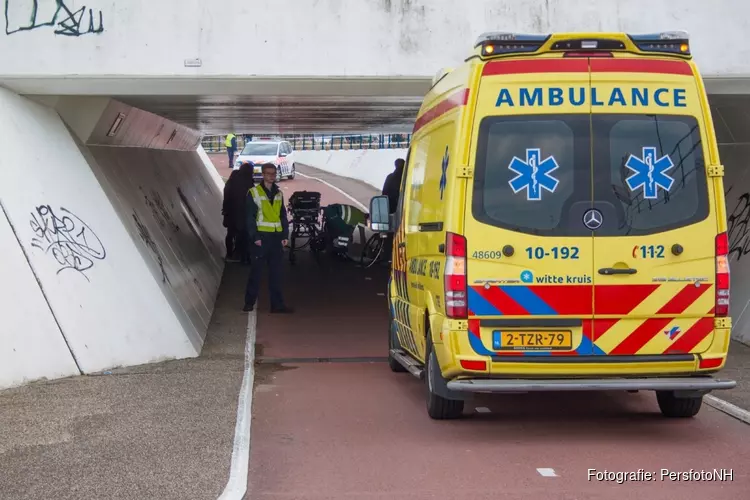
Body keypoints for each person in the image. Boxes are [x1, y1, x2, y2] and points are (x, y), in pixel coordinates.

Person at [243, 162, 293, 313]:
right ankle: (249, 302)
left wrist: (285, 234)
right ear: (263, 174)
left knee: (276, 274)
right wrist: (255, 236)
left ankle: (277, 305)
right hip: (261, 238)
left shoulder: (279, 193)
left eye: (274, 173)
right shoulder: (254, 193)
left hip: (276, 238)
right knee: (256, 273)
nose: (272, 176)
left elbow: (282, 215)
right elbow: (250, 217)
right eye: (269, 173)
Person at [223, 162, 255, 263]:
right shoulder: (249, 182)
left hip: (230, 211)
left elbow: (226, 193)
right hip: (243, 212)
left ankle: (229, 254)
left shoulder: (233, 178)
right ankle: (242, 255)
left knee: (230, 233)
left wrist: (225, 209)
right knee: (243, 233)